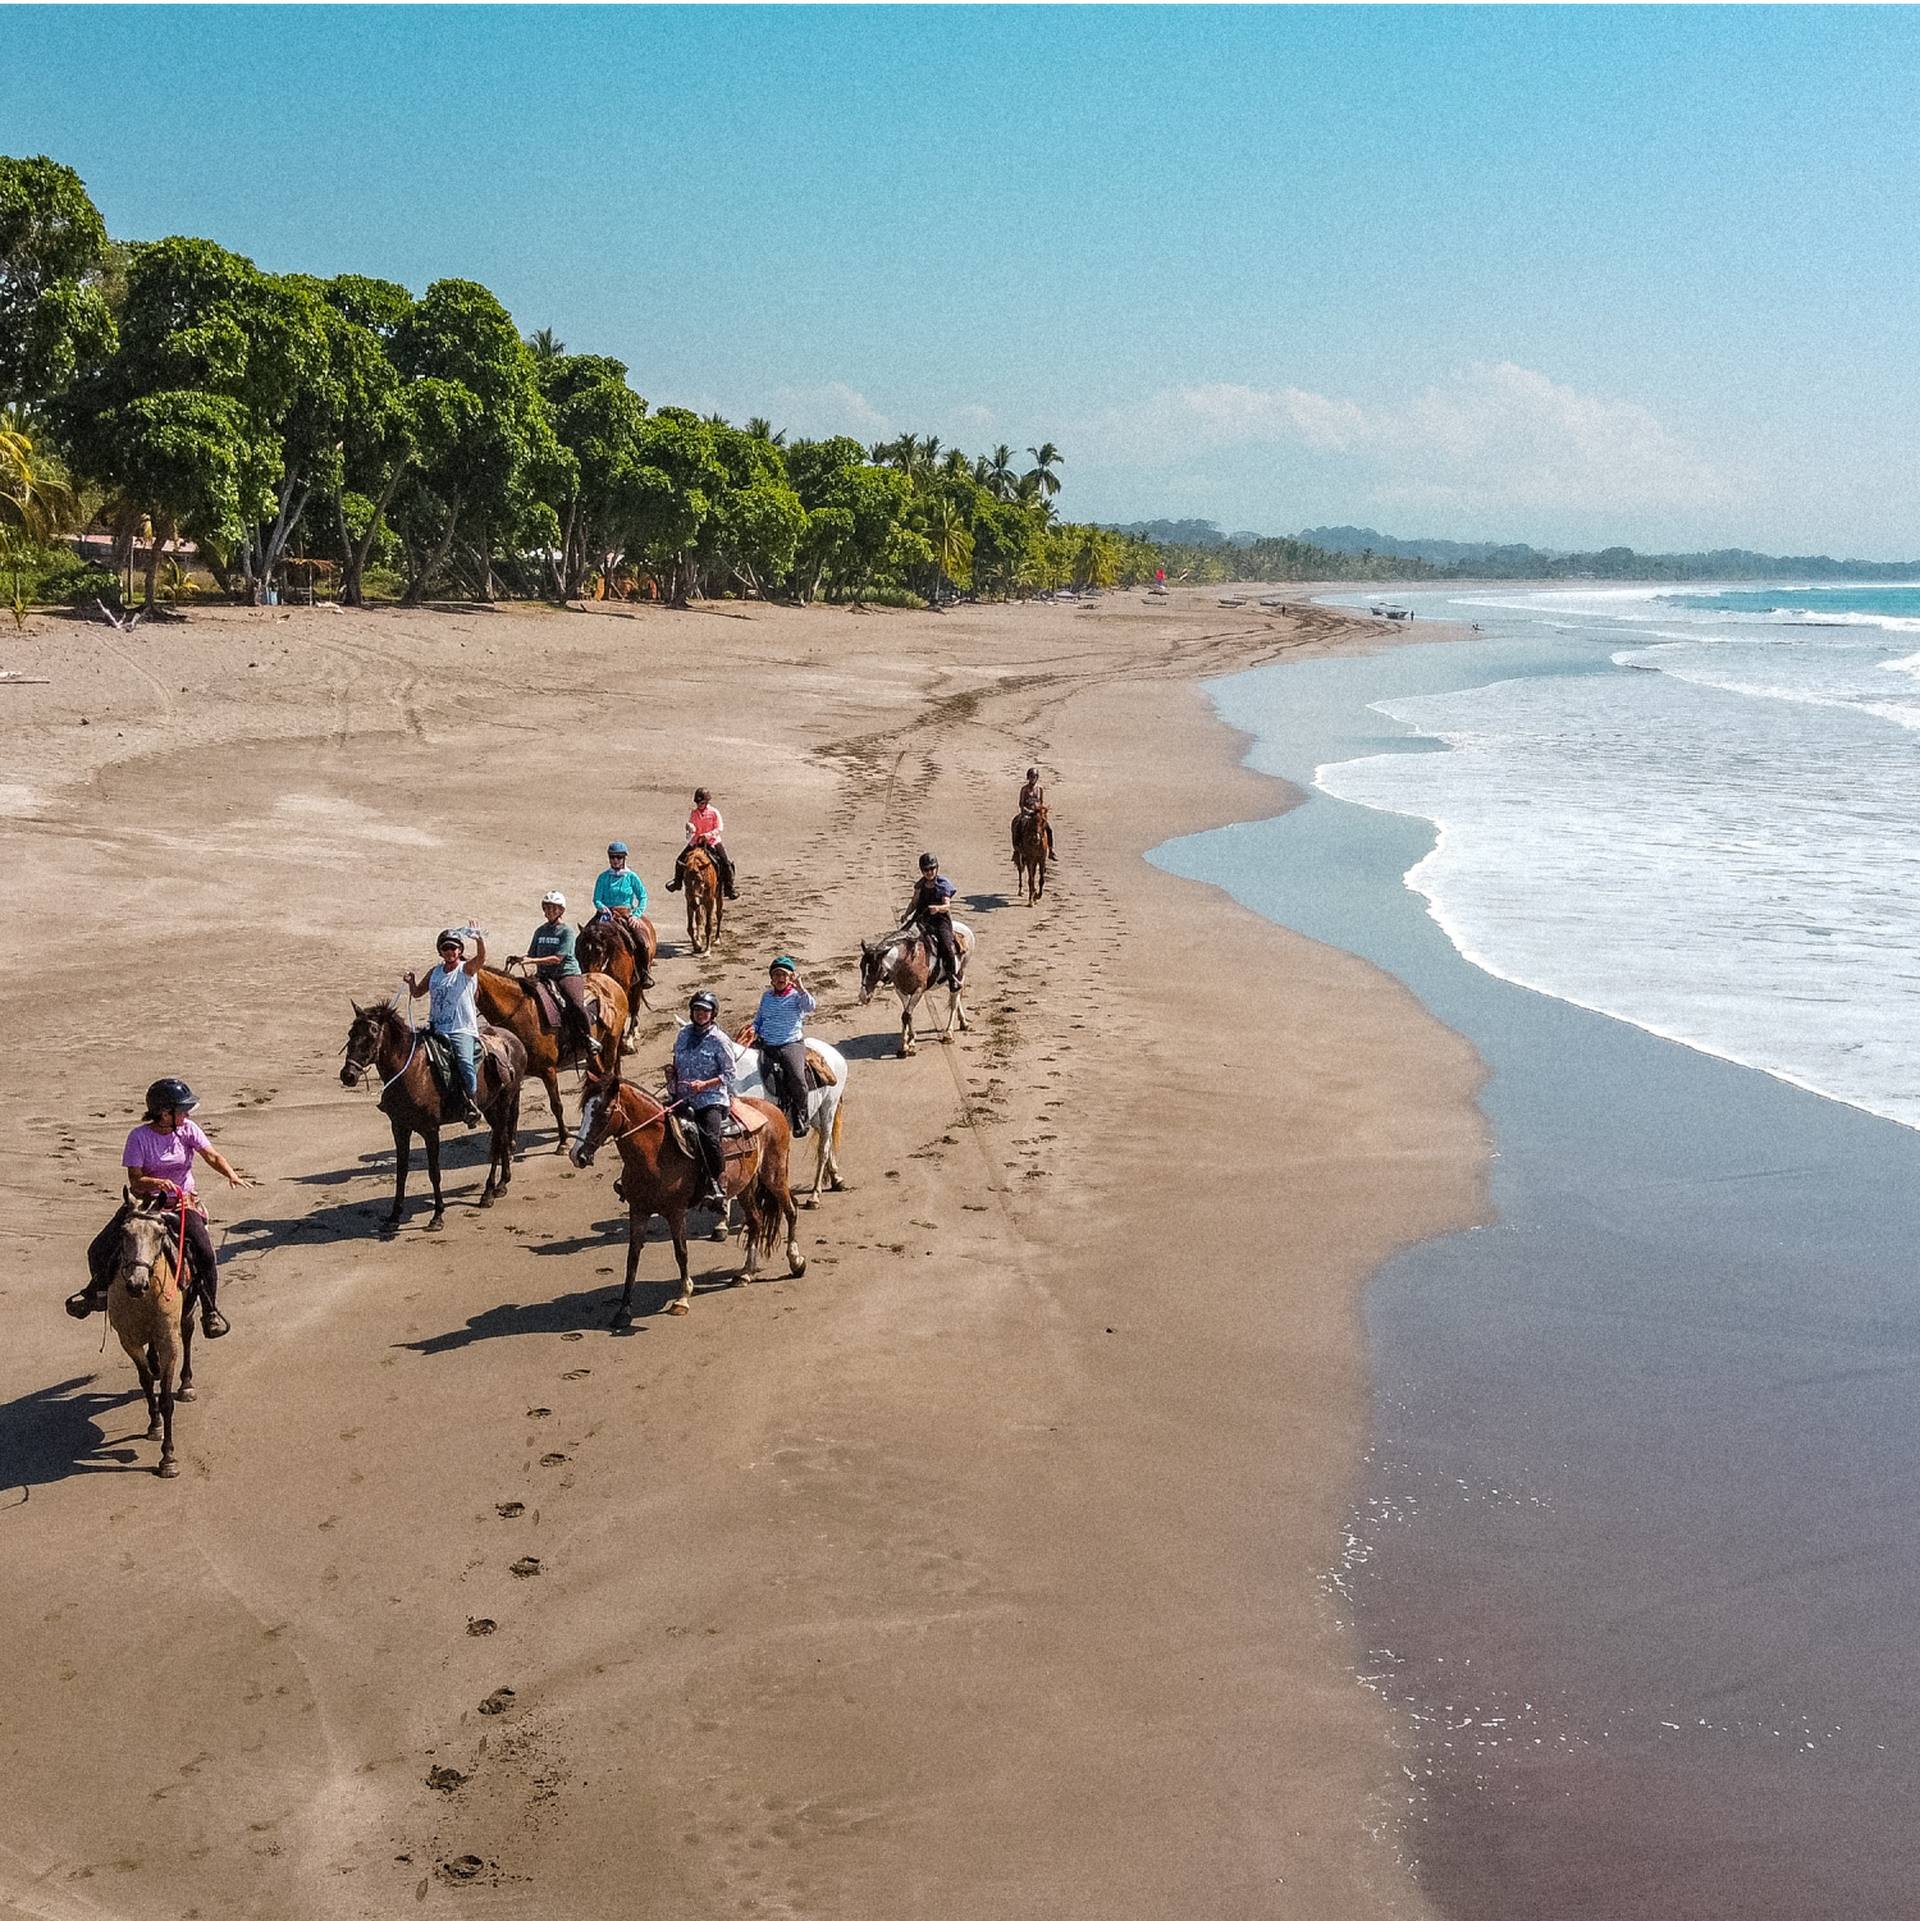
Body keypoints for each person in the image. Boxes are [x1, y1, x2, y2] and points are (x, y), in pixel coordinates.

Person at [66, 1078, 252, 1336]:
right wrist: (155, 1182)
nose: (186, 1114)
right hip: (145, 1205)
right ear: (164, 1114)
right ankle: (98, 1293)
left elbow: (211, 1155)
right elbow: (135, 1179)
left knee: (206, 1254)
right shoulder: (138, 1137)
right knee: (98, 1249)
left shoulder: (188, 1129)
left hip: (181, 1204)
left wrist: (231, 1174)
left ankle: (209, 1311)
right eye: (181, 1110)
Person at [405, 926, 487, 1125]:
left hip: (461, 1029)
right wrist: (412, 982)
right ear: (440, 951)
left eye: (453, 948)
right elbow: (417, 993)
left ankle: (471, 1104)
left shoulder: (465, 969)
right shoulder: (435, 971)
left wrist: (479, 940)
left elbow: (481, 959)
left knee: (465, 1063)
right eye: (445, 948)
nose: (450, 952)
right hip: (436, 1028)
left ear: (459, 950)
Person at [668, 990, 735, 1209]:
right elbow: (678, 1059)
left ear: (713, 1013)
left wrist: (705, 1085)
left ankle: (718, 1183)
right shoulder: (684, 1034)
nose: (700, 1014)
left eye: (705, 1010)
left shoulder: (720, 1040)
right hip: (682, 1096)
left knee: (708, 1137)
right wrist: (672, 1073)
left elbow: (730, 1074)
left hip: (711, 1099)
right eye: (697, 1009)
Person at [511, 891, 593, 1059]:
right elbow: (531, 953)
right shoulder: (540, 931)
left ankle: (588, 1038)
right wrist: (521, 959)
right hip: (544, 975)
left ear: (561, 911)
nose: (550, 911)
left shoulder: (567, 932)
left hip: (566, 974)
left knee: (576, 1003)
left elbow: (558, 958)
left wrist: (532, 961)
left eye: (554, 908)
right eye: (547, 908)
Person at [747, 956, 816, 1137]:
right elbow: (759, 1019)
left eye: (784, 975)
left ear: (790, 977)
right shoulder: (767, 996)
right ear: (771, 978)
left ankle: (801, 1115)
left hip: (790, 1044)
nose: (780, 978)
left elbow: (811, 1006)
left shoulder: (797, 996)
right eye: (776, 974)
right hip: (767, 1043)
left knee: (797, 1077)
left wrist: (801, 988)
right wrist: (752, 1029)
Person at [665, 788, 737, 900]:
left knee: (725, 863)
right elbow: (692, 826)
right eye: (697, 803)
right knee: (680, 860)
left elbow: (719, 828)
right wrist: (690, 828)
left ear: (707, 802)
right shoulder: (694, 813)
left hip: (712, 841)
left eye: (702, 803)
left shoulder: (714, 812)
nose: (699, 805)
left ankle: (729, 888)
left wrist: (708, 835)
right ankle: (677, 882)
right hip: (697, 841)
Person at [906, 853, 960, 989]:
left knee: (947, 946)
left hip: (940, 920)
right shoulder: (920, 885)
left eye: (932, 869)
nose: (929, 872)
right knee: (904, 937)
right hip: (922, 919)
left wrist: (938, 908)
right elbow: (914, 903)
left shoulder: (943, 884)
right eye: (926, 870)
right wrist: (906, 914)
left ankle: (952, 976)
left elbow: (947, 905)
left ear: (937, 868)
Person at [1013, 765, 1057, 861]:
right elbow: (1021, 803)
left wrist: (1041, 811)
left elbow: (1041, 802)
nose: (1033, 779)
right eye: (1031, 777)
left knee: (1048, 828)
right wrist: (1027, 811)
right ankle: (1017, 849)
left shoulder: (1040, 789)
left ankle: (1051, 850)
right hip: (1027, 813)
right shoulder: (1024, 789)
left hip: (1037, 813)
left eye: (1035, 777)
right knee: (1018, 825)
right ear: (1028, 777)